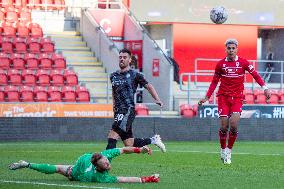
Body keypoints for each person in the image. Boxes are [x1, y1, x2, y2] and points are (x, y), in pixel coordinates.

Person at [198, 38, 271, 165]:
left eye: (233, 48)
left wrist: (265, 88)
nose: (231, 50)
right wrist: (207, 97)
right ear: (225, 49)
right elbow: (214, 82)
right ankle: (222, 149)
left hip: (237, 98)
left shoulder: (243, 62)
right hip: (223, 97)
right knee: (224, 126)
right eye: (229, 48)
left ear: (237, 49)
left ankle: (228, 150)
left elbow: (256, 75)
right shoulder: (220, 64)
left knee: (234, 124)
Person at [106, 48, 166, 153]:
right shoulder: (113, 76)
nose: (122, 59)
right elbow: (114, 91)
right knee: (129, 143)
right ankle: (153, 140)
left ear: (130, 60)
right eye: (120, 57)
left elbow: (149, 86)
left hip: (127, 110)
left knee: (112, 135)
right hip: (118, 111)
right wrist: (114, 106)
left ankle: (103, 163)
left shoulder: (135, 75)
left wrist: (157, 99)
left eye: (124, 57)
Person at [9, 146, 160, 183]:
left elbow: (122, 149)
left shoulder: (105, 155)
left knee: (56, 167)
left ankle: (26, 163)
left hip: (85, 159)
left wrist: (139, 149)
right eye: (106, 166)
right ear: (99, 168)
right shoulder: (97, 177)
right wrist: (146, 179)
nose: (108, 164)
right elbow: (123, 179)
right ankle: (27, 164)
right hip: (75, 171)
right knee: (56, 169)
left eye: (107, 162)